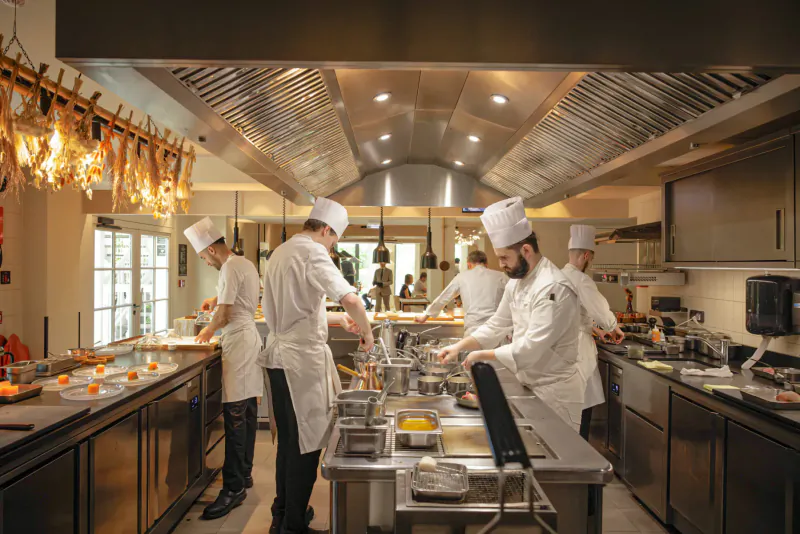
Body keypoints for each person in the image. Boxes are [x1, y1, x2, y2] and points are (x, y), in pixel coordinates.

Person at [258, 197, 374, 534]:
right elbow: (351, 297)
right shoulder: (312, 252)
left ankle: (282, 514)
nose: (333, 246)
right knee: (306, 445)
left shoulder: (281, 251)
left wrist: (337, 319)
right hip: (300, 364)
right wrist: (366, 332)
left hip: (281, 359)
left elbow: (299, 307)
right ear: (326, 230)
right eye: (334, 239)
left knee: (289, 444)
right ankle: (293, 525)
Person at [437, 197, 584, 430]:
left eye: (505, 258)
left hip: (555, 393)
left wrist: (483, 355)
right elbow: (497, 323)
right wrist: (460, 346)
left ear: (526, 250)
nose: (501, 264)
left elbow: (531, 347)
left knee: (554, 460)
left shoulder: (553, 286)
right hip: (528, 384)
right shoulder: (517, 282)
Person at [185, 217, 263, 519]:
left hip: (239, 342)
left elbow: (227, 312)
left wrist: (206, 332)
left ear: (211, 249)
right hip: (248, 340)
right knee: (248, 410)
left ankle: (232, 489)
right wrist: (215, 299)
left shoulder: (229, 266)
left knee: (236, 413)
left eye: (203, 256)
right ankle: (243, 474)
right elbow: (237, 295)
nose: (204, 262)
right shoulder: (244, 263)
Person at [562, 225, 625, 440]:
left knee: (567, 413)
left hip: (560, 351)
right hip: (578, 352)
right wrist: (612, 326)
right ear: (586, 255)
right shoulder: (581, 280)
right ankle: (580, 461)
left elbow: (571, 315)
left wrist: (594, 329)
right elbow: (599, 308)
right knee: (581, 410)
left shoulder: (557, 276)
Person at [415, 250, 507, 336]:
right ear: (486, 264)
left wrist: (425, 317)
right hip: (497, 328)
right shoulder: (501, 276)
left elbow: (443, 297)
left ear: (469, 265)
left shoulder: (462, 277)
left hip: (474, 328)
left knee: (472, 353)